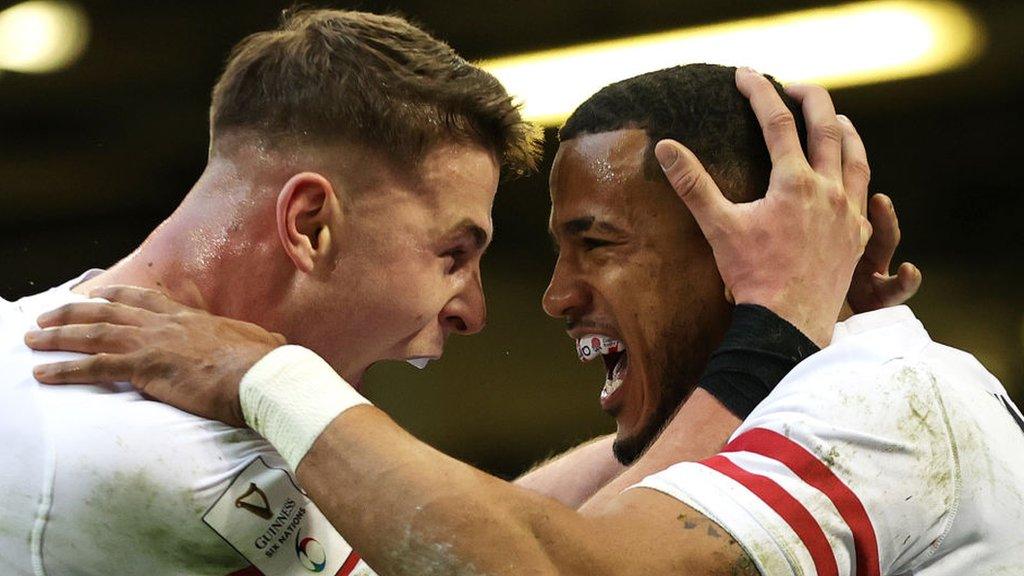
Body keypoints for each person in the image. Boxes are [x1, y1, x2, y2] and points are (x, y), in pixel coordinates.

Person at [34, 66, 1018, 576]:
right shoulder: (845, 392)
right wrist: (770, 338)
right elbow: (501, 538)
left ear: (743, 252)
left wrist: (264, 377)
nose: (547, 297)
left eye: (596, 243)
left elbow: (547, 566)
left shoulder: (885, 393)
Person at [0, 9, 542, 575]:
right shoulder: (183, 464)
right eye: (453, 255)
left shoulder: (19, 348)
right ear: (310, 226)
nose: (473, 312)